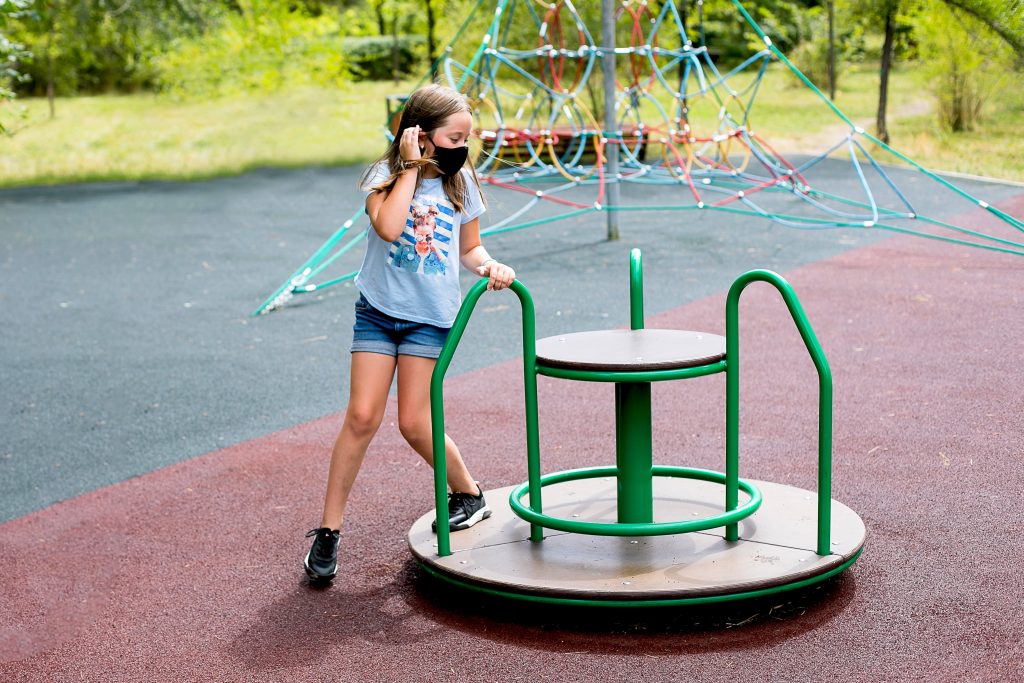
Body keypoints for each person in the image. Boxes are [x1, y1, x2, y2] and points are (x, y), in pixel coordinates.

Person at [304, 84, 515, 584]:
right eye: (453, 136)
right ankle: (329, 530)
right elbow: (390, 228)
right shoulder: (385, 175)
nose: (462, 147)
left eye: (467, 137)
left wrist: (489, 265)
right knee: (361, 415)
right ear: (419, 135)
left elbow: (470, 248)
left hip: (429, 318)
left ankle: (469, 493)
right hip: (378, 310)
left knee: (415, 423)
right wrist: (411, 168)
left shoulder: (461, 182)